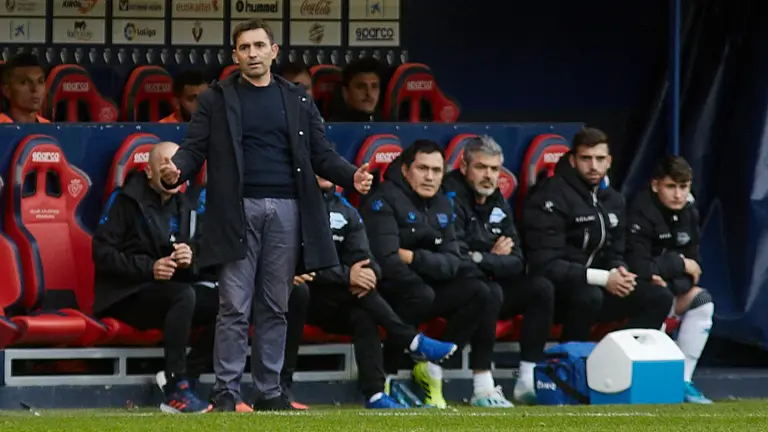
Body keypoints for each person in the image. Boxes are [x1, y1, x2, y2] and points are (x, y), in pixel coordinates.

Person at [158, 18, 374, 411]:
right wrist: (176, 172)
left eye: (260, 46)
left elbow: (321, 153)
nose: (253, 53)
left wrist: (351, 174)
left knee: (276, 304)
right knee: (234, 305)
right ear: (234, 55)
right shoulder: (216, 97)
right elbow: (193, 148)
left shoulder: (298, 98)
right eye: (245, 47)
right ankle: (226, 391)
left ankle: (270, 391)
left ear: (274, 51)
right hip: (234, 211)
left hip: (289, 210)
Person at [361, 139, 514, 409]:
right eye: (422, 169)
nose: (430, 177)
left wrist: (414, 257)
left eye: (436, 170)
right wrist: (431, 262)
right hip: (388, 290)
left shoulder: (443, 202)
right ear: (406, 170)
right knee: (418, 294)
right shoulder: (383, 199)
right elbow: (387, 261)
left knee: (481, 291)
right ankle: (388, 376)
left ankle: (431, 366)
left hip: (426, 284)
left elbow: (454, 262)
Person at [286, 174, 458, 409]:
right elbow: (296, 260)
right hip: (298, 297)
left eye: (326, 167)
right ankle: (411, 339)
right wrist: (347, 275)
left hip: (335, 298)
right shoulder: (291, 205)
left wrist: (369, 274)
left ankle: (376, 394)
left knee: (363, 313)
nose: (323, 172)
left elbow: (368, 259)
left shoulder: (346, 210)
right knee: (310, 290)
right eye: (315, 167)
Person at [92, 142, 216, 414]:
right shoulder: (125, 199)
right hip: (126, 294)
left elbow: (204, 254)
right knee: (184, 296)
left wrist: (191, 255)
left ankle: (188, 379)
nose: (172, 169)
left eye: (177, 164)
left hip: (169, 293)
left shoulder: (187, 205)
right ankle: (175, 387)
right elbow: (102, 253)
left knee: (229, 301)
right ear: (149, 172)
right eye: (165, 163)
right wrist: (149, 268)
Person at [522, 127, 674, 343]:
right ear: (572, 160)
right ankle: (569, 362)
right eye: (586, 158)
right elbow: (545, 264)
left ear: (609, 161)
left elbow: (616, 251)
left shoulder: (614, 200)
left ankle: (617, 357)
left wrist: (620, 272)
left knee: (659, 297)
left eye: (600, 159)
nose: (594, 166)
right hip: (556, 292)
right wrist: (604, 278)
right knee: (588, 295)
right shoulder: (549, 195)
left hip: (601, 285)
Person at [443, 135, 555, 405]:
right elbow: (457, 258)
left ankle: (527, 380)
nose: (489, 176)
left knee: (541, 288)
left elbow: (517, 260)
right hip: (455, 290)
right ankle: (482, 387)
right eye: (481, 167)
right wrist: (490, 254)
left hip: (490, 282)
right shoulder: (448, 195)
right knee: (489, 292)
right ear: (464, 166)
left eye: (494, 170)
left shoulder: (497, 200)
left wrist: (480, 256)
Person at [625, 155, 714, 404]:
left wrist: (674, 277)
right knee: (658, 298)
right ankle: (654, 381)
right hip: (637, 293)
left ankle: (683, 381)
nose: (678, 195)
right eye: (671, 186)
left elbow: (695, 269)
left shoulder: (689, 212)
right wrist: (679, 264)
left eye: (683, 187)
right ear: (656, 185)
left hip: (669, 290)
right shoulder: (640, 211)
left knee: (703, 300)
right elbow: (640, 267)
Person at [327, 58, 382, 122]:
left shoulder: (386, 125)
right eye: (361, 87)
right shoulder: (334, 127)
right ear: (345, 92)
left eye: (374, 86)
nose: (369, 93)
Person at [0, 53, 50, 123]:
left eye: (40, 82)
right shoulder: (2, 126)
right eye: (24, 82)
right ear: (6, 90)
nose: (35, 89)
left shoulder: (47, 126)